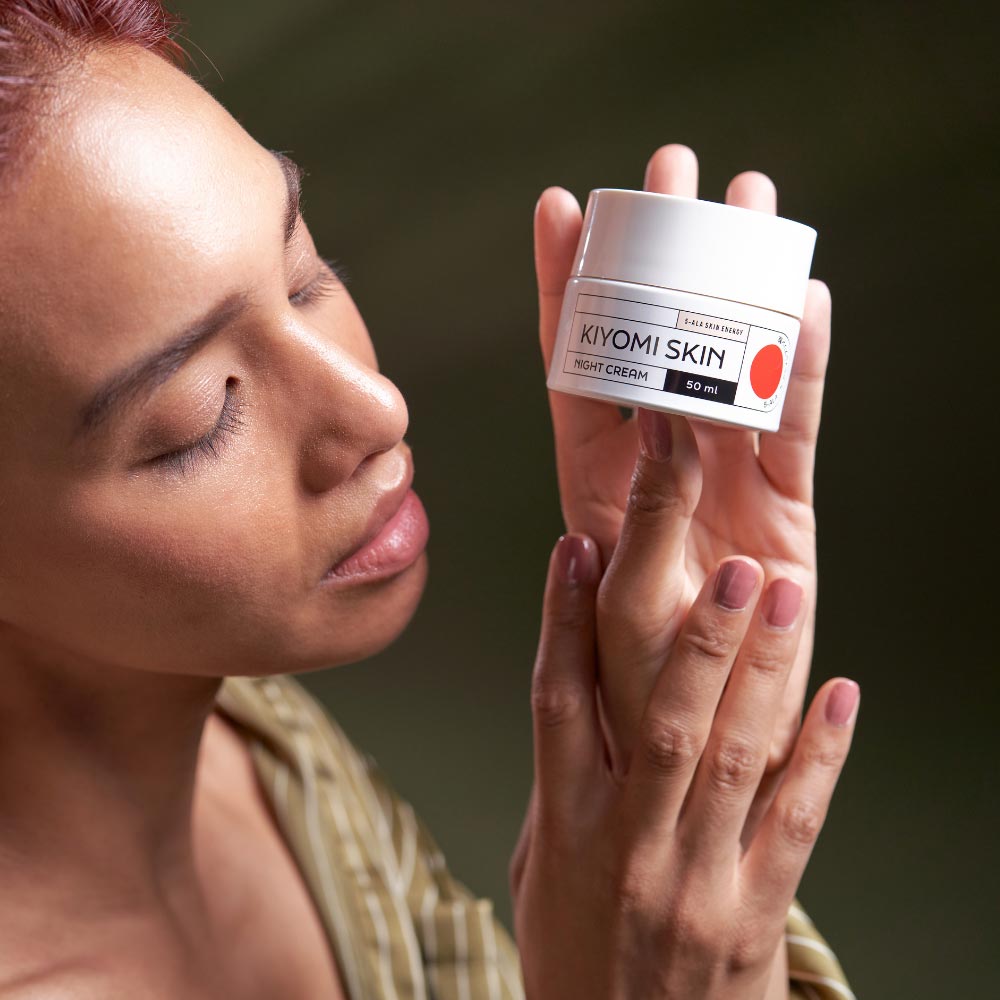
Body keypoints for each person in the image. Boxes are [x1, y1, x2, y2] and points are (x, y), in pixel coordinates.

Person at [0, 2, 859, 998]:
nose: (378, 408)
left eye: (306, 274)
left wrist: (684, 811)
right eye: (203, 416)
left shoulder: (263, 743)